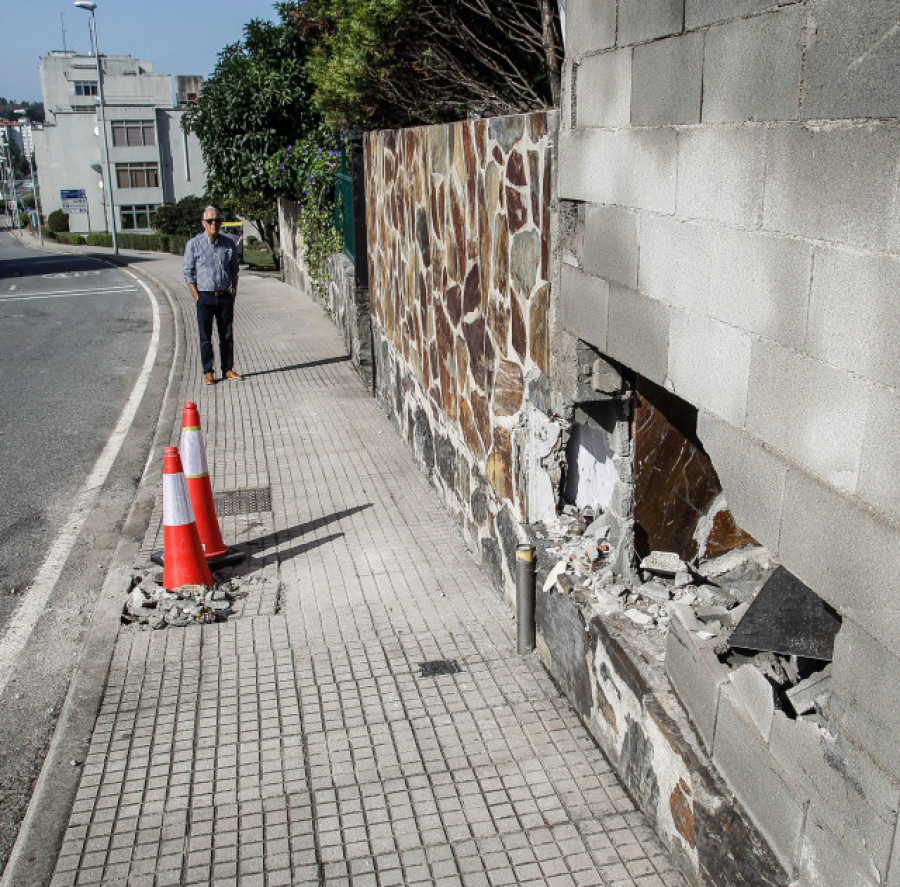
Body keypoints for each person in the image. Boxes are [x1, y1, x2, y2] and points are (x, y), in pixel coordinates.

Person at [183, 205, 243, 384]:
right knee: (205, 336)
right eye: (210, 221)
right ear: (203, 223)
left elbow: (234, 271)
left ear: (221, 222)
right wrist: (196, 296)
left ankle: (228, 369)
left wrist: (233, 292)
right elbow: (188, 272)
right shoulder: (194, 245)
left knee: (226, 335)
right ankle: (208, 371)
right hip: (205, 296)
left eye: (217, 220)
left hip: (224, 296)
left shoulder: (228, 244)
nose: (213, 224)